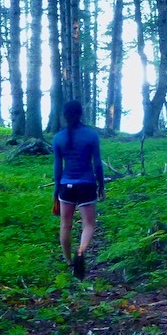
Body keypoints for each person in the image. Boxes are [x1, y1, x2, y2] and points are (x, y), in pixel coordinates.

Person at [53, 100, 104, 279]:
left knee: (65, 225)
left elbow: (57, 169)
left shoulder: (58, 138)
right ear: (81, 113)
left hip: (65, 186)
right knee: (88, 224)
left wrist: (55, 193)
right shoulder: (91, 135)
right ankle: (81, 252)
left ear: (64, 115)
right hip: (87, 184)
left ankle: (69, 263)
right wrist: (101, 185)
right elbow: (97, 164)